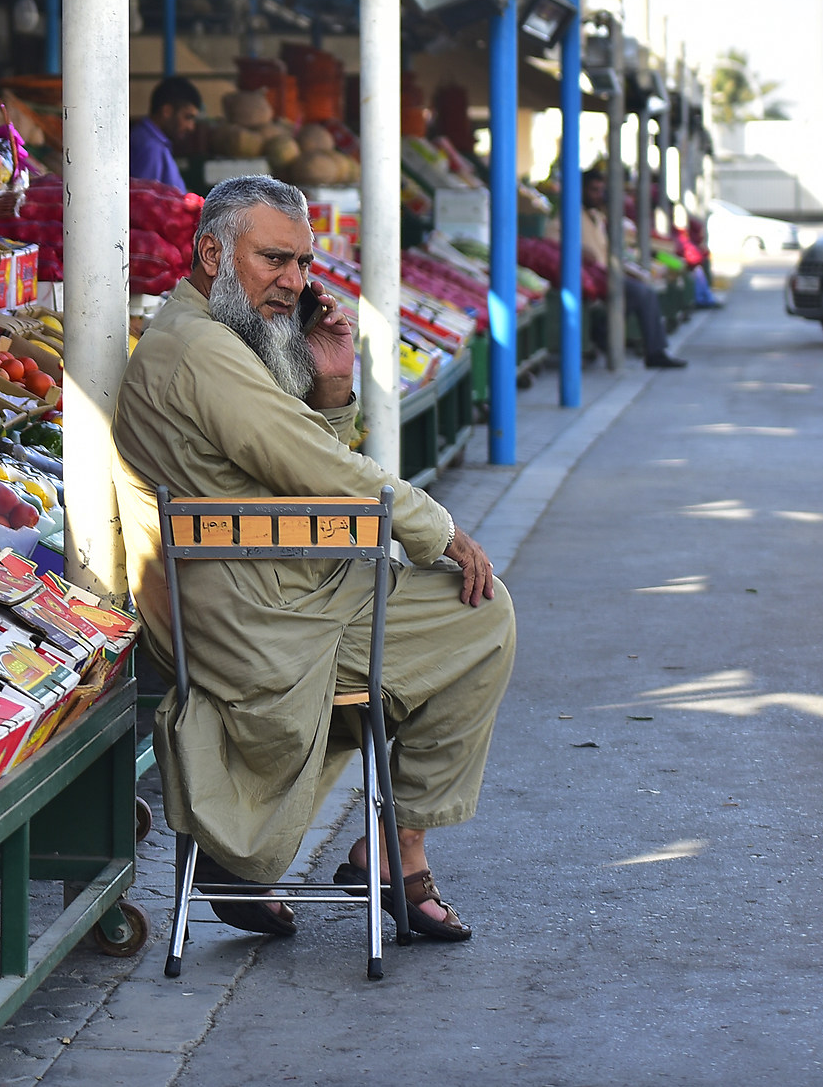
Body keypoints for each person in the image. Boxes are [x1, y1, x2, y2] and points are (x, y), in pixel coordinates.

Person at [112, 176, 515, 943]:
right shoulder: (199, 349)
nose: (294, 283)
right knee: (484, 615)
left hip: (275, 595)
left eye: (301, 263)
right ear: (211, 253)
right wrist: (437, 527)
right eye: (274, 260)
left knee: (470, 615)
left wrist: (329, 388)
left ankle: (370, 851)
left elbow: (287, 472)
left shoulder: (207, 337)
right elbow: (316, 473)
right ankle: (397, 852)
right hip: (259, 619)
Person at [582, 172, 686, 367]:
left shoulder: (596, 217)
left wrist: (633, 271)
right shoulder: (569, 219)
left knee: (644, 289)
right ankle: (609, 332)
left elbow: (608, 253)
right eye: (593, 190)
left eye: (600, 190)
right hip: (589, 275)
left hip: (605, 272)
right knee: (640, 292)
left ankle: (648, 347)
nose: (598, 195)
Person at [130, 77, 201, 190]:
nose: (191, 127)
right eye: (188, 117)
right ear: (167, 111)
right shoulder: (151, 148)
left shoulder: (147, 139)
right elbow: (145, 200)